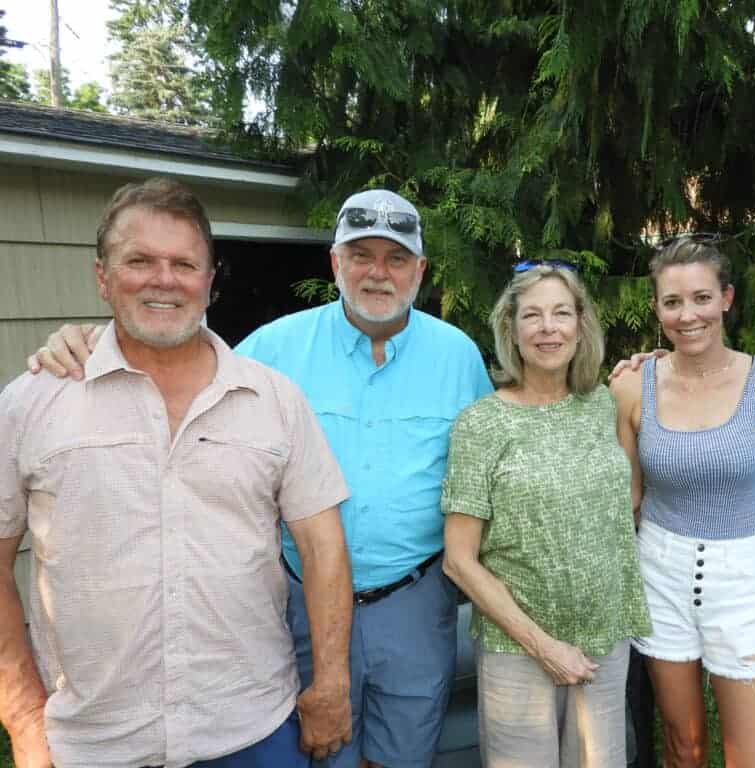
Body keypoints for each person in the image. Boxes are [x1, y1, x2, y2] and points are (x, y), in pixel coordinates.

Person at [29, 188, 494, 768]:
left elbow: (493, 465)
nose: (378, 273)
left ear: (420, 270)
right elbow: (181, 371)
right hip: (298, 598)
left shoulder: (459, 356)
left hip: (414, 602)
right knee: (318, 750)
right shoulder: (272, 350)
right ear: (334, 263)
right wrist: (88, 340)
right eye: (361, 255)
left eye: (396, 258)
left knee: (407, 751)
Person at [0, 178, 353, 768]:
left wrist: (331, 685)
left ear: (209, 282)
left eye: (184, 264)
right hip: (94, 743)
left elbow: (324, 549)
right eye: (139, 260)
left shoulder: (273, 400)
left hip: (251, 731)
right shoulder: (34, 402)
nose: (164, 279)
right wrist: (23, 717)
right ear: (102, 277)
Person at [440, 263, 652, 767]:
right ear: (511, 330)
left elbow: (630, 501)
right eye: (532, 315)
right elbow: (459, 560)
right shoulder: (481, 424)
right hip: (518, 648)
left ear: (581, 325)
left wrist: (657, 365)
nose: (548, 327)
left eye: (561, 313)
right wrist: (546, 647)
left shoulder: (605, 403)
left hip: (605, 639)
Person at [609, 238, 755, 768]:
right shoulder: (630, 387)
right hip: (660, 569)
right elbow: (628, 497)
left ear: (727, 298)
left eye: (702, 298)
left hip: (744, 579)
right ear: (657, 309)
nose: (688, 315)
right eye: (672, 302)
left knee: (754, 758)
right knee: (683, 746)